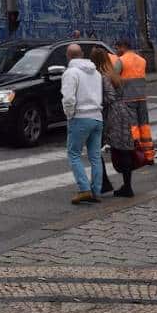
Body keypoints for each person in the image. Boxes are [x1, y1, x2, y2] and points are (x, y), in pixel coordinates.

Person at [90, 46, 136, 198]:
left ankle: (105, 183)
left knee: (97, 147)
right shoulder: (114, 74)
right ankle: (126, 186)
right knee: (122, 149)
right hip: (123, 112)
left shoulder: (102, 76)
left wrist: (98, 102)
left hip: (112, 115)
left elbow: (109, 97)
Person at [61, 43, 103, 204]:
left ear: (68, 55)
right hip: (97, 117)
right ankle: (96, 190)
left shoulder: (71, 73)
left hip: (80, 117)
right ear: (82, 54)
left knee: (74, 154)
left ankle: (84, 188)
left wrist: (70, 114)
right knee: (95, 156)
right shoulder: (96, 73)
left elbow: (69, 97)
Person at [115, 38, 155, 164]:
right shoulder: (142, 60)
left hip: (128, 98)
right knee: (144, 126)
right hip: (142, 97)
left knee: (133, 127)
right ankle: (149, 156)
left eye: (117, 48)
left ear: (122, 47)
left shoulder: (121, 60)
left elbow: (115, 79)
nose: (116, 51)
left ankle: (136, 155)